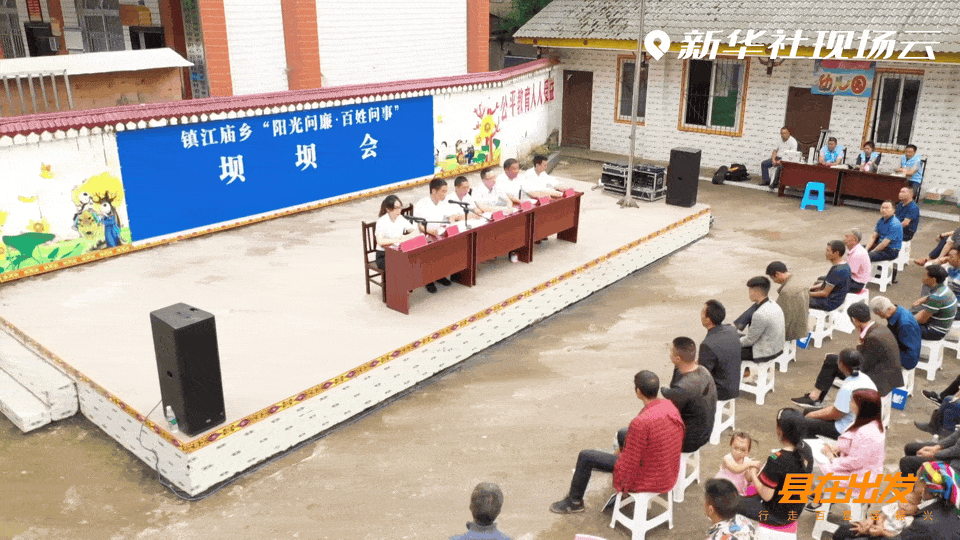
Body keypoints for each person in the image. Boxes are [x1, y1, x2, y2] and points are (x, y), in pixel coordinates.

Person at [549, 370, 684, 514]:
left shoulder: (641, 423)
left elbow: (628, 466)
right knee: (623, 433)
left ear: (638, 392)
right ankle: (610, 463)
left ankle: (574, 502)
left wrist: (622, 484)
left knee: (586, 456)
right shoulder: (669, 406)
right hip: (667, 469)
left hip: (648, 476)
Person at [792, 303, 902, 407]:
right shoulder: (879, 327)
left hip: (877, 382)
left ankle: (815, 397)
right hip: (885, 375)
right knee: (834, 360)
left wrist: (844, 358)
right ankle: (817, 396)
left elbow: (862, 366)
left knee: (832, 361)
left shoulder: (872, 338)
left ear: (854, 320)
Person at [734, 408, 814, 526]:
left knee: (729, 500)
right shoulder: (806, 448)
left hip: (777, 515)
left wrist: (753, 475)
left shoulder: (776, 459)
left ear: (779, 431)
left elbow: (766, 496)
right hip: (795, 509)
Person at [818, 390, 886, 504]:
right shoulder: (872, 423)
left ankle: (822, 498)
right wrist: (837, 449)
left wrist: (831, 457)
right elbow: (857, 449)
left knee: (819, 466)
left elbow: (855, 461)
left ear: (862, 407)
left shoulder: (865, 432)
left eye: (853, 402)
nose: (850, 403)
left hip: (860, 478)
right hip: (865, 472)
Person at [793, 349, 877, 440]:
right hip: (862, 422)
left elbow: (835, 414)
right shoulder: (864, 378)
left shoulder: (848, 387)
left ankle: (807, 445)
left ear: (841, 365)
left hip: (845, 429)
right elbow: (838, 410)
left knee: (805, 422)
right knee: (808, 411)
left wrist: (811, 415)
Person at [662, 336, 718, 453]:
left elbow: (669, 404)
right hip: (705, 432)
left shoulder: (683, 388)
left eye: (671, 351)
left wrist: (661, 389)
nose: (669, 352)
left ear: (677, 358)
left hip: (690, 441)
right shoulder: (703, 370)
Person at [414, 179, 463, 293]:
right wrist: (430, 231)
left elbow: (448, 217)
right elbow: (420, 225)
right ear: (434, 191)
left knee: (447, 250)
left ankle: (440, 275)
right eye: (443, 191)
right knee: (430, 253)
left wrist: (450, 222)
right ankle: (428, 280)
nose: (445, 194)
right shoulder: (422, 204)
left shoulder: (444, 202)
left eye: (446, 191)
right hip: (427, 235)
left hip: (440, 233)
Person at [831, 489, 922, 539]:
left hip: (882, 536)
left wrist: (881, 531)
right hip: (874, 527)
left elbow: (897, 536)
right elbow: (881, 515)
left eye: (911, 503)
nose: (905, 504)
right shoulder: (895, 507)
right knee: (845, 527)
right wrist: (870, 523)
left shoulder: (910, 521)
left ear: (917, 509)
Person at [699, 300, 743, 401]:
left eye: (702, 312)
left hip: (721, 391)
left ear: (708, 319)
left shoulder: (707, 344)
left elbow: (703, 376)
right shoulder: (731, 330)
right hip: (734, 385)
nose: (701, 315)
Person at [739, 276, 785, 363]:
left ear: (757, 293)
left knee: (726, 350)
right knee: (737, 337)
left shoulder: (759, 314)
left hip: (764, 353)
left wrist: (732, 342)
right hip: (777, 347)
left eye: (750, 291)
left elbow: (749, 341)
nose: (749, 293)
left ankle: (740, 370)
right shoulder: (773, 304)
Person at [870, 296, 921, 371]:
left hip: (908, 358)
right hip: (901, 345)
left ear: (889, 309)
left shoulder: (904, 324)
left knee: (873, 357)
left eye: (881, 314)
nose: (880, 317)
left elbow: (910, 350)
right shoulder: (897, 309)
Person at [910, 264, 957, 340]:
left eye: (926, 275)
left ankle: (905, 347)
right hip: (942, 324)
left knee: (902, 326)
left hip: (935, 331)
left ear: (933, 279)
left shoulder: (936, 297)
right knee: (909, 314)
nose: (923, 276)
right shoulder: (944, 289)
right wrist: (920, 301)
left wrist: (907, 320)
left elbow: (922, 320)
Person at [766, 261, 810, 341]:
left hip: (793, 330)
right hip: (802, 324)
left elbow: (782, 317)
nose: (774, 281)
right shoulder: (798, 279)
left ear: (777, 274)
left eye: (773, 278)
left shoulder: (787, 291)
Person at [374, 195, 420, 270]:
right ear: (388, 209)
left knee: (417, 260)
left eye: (400, 207)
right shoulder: (381, 222)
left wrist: (415, 229)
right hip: (384, 256)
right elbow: (380, 241)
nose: (399, 210)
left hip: (398, 252)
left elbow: (411, 229)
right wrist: (398, 240)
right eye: (396, 208)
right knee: (404, 265)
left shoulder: (400, 218)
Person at [715, 432, 761, 496]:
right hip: (725, 489)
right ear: (731, 446)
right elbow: (736, 469)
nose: (738, 452)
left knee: (755, 488)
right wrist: (751, 464)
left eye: (743, 450)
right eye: (736, 448)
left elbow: (748, 478)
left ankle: (746, 496)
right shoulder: (727, 458)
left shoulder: (747, 460)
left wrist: (754, 471)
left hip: (739, 490)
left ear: (748, 452)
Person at [810, 240, 851, 312]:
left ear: (836, 253)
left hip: (830, 303)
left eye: (828, 251)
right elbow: (826, 284)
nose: (826, 253)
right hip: (838, 299)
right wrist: (811, 288)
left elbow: (825, 293)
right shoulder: (845, 265)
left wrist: (807, 294)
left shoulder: (837, 270)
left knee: (799, 300)